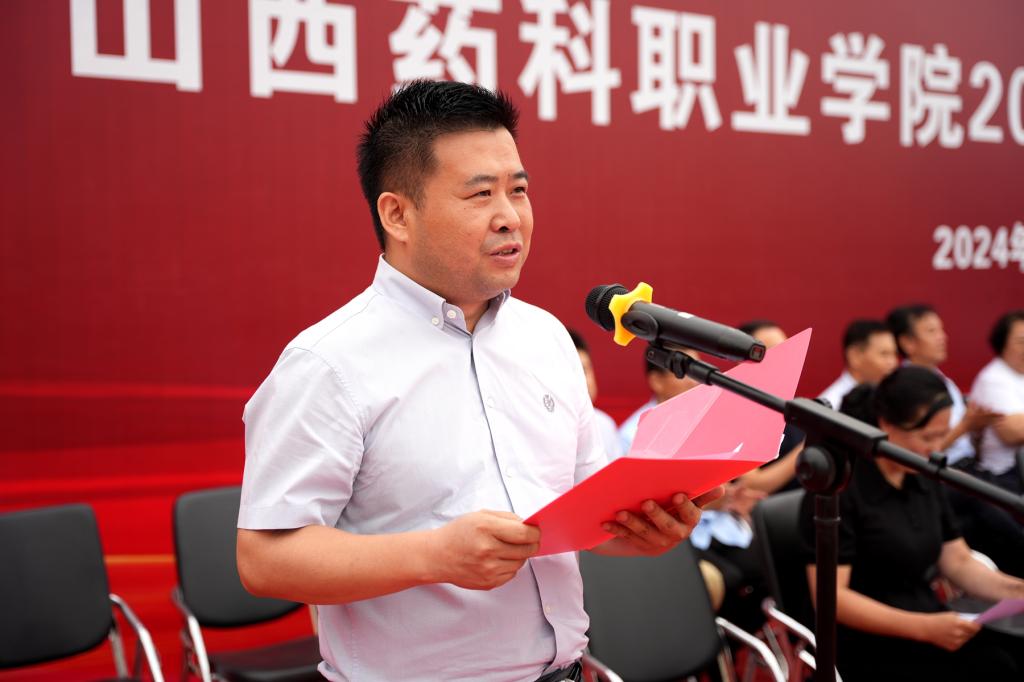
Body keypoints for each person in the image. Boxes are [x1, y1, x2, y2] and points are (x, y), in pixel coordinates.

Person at [235, 80, 720, 682]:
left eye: (519, 190)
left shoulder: (547, 339)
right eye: (480, 194)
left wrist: (642, 529)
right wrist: (433, 555)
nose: (510, 217)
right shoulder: (328, 362)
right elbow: (265, 558)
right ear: (397, 214)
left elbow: (581, 509)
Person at [799, 366, 1024, 681]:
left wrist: (1016, 590)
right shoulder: (840, 490)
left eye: (942, 435)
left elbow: (958, 561)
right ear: (886, 425)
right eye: (927, 437)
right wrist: (924, 628)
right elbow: (834, 598)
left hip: (930, 619)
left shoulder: (921, 476)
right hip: (869, 642)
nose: (937, 448)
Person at [886, 304, 1000, 464]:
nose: (942, 337)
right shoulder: (904, 388)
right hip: (944, 471)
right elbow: (920, 454)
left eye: (941, 330)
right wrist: (966, 426)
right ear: (907, 342)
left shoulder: (945, 381)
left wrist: (977, 428)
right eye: (931, 331)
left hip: (970, 465)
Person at [735, 320, 805, 493]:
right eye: (774, 353)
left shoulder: (797, 407)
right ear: (742, 360)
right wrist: (807, 448)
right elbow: (750, 483)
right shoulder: (736, 412)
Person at [970, 310, 1024, 491]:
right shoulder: (993, 378)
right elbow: (1013, 431)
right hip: (1006, 475)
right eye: (1021, 341)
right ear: (1003, 345)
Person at [617, 352, 700, 453]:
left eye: (698, 373)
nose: (694, 382)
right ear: (657, 381)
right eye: (684, 373)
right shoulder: (633, 437)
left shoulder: (708, 420)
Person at [567, 328, 624, 459]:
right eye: (573, 372)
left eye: (584, 370)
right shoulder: (543, 428)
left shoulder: (605, 424)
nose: (582, 380)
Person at [818, 319, 899, 412]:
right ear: (854, 356)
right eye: (884, 354)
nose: (893, 362)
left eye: (895, 354)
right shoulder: (831, 406)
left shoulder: (890, 399)